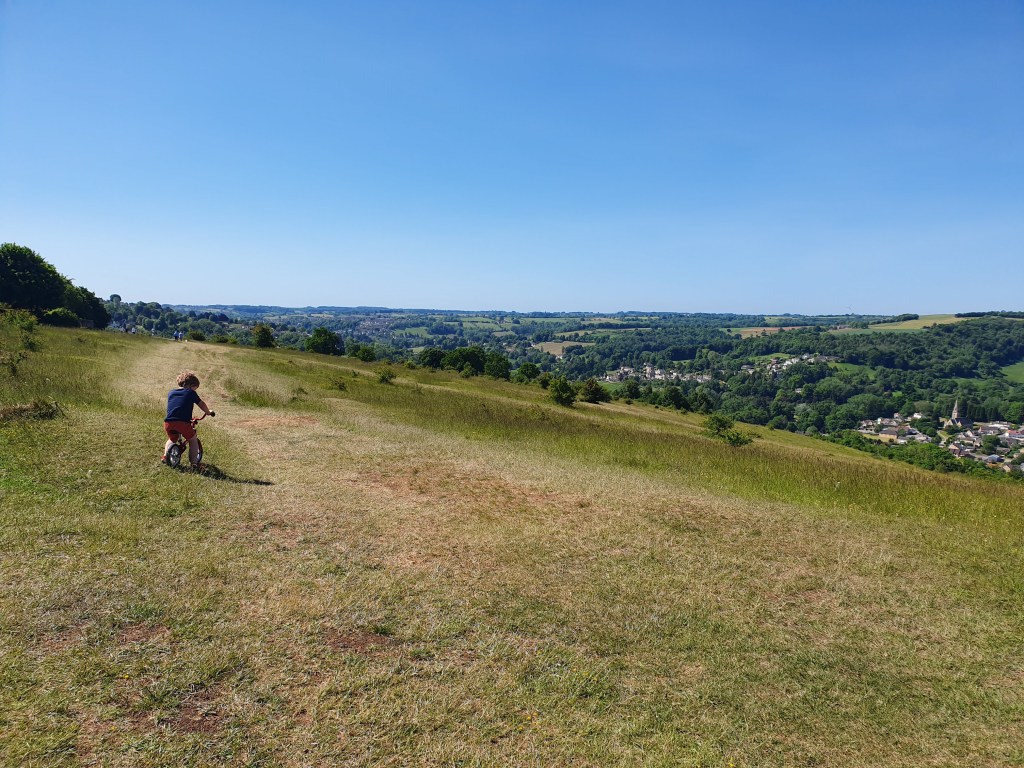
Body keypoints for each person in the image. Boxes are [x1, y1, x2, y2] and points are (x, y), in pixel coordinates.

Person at [163, 370, 214, 469]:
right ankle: (194, 463)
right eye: (195, 388)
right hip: (182, 423)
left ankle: (165, 456)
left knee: (172, 439)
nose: (195, 391)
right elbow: (201, 404)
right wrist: (208, 412)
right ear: (190, 386)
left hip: (168, 422)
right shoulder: (191, 393)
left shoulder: (171, 392)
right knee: (193, 440)